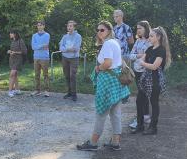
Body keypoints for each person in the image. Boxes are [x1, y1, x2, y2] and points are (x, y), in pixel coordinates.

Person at [77, 21, 130, 151]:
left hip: (108, 82)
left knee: (101, 112)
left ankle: (93, 143)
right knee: (115, 113)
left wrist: (97, 68)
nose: (99, 32)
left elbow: (107, 63)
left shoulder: (107, 44)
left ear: (109, 31)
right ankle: (115, 142)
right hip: (116, 81)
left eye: (102, 30)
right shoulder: (115, 42)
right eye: (98, 29)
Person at [137, 27, 171, 135]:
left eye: (152, 36)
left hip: (155, 80)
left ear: (158, 37)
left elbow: (154, 67)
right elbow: (142, 59)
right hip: (145, 79)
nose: (149, 38)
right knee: (139, 101)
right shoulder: (149, 49)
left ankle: (153, 128)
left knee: (154, 103)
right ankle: (140, 125)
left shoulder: (161, 50)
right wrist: (143, 62)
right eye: (150, 35)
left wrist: (143, 63)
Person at [129, 21, 151, 132]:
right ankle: (145, 116)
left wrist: (140, 56)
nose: (138, 30)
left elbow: (149, 57)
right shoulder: (137, 41)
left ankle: (139, 122)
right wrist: (139, 55)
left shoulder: (150, 41)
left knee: (140, 98)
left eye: (140, 28)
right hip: (137, 71)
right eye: (137, 28)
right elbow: (131, 55)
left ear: (146, 29)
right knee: (143, 95)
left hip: (146, 72)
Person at [59, 20, 82, 102]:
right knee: (67, 76)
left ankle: (74, 94)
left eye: (71, 26)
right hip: (65, 58)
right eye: (68, 26)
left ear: (74, 27)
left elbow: (76, 48)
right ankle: (69, 92)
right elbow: (61, 48)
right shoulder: (65, 36)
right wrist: (68, 49)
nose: (69, 27)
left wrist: (66, 49)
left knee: (73, 76)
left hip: (74, 59)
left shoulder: (78, 36)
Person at [32, 20, 50, 97]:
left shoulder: (47, 35)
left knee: (45, 75)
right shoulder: (34, 35)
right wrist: (41, 46)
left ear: (44, 26)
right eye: (38, 25)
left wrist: (38, 46)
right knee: (37, 75)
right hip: (36, 57)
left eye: (40, 25)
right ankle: (37, 90)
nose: (39, 26)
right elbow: (33, 47)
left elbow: (46, 45)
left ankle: (46, 90)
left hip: (44, 57)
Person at [7, 30, 27, 97]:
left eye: (11, 33)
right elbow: (12, 50)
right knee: (15, 75)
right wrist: (10, 51)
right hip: (12, 60)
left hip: (18, 60)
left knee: (12, 74)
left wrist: (15, 52)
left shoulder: (20, 41)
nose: (10, 34)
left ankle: (10, 91)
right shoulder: (13, 41)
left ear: (15, 34)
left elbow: (24, 51)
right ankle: (17, 90)